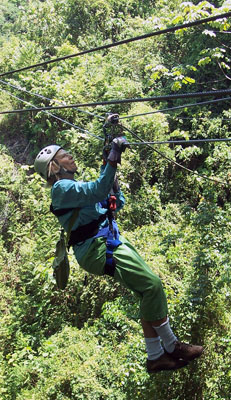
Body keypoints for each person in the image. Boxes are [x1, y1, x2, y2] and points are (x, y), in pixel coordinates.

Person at [34, 139, 203, 373]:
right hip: (99, 246)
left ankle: (155, 355)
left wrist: (112, 179)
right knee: (153, 285)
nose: (71, 156)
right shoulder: (61, 189)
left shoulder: (74, 188)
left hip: (108, 240)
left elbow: (112, 201)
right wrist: (112, 158)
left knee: (147, 293)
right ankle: (173, 347)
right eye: (65, 155)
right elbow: (97, 190)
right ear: (54, 166)